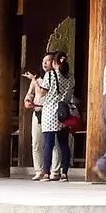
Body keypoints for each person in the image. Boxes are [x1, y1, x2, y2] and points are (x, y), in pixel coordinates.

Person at [30, 51, 75, 181]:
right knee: (63, 144)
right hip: (64, 111)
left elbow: (41, 93)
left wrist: (34, 81)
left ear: (54, 62)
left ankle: (46, 173)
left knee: (48, 144)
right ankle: (64, 173)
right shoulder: (70, 76)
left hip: (50, 111)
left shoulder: (50, 75)